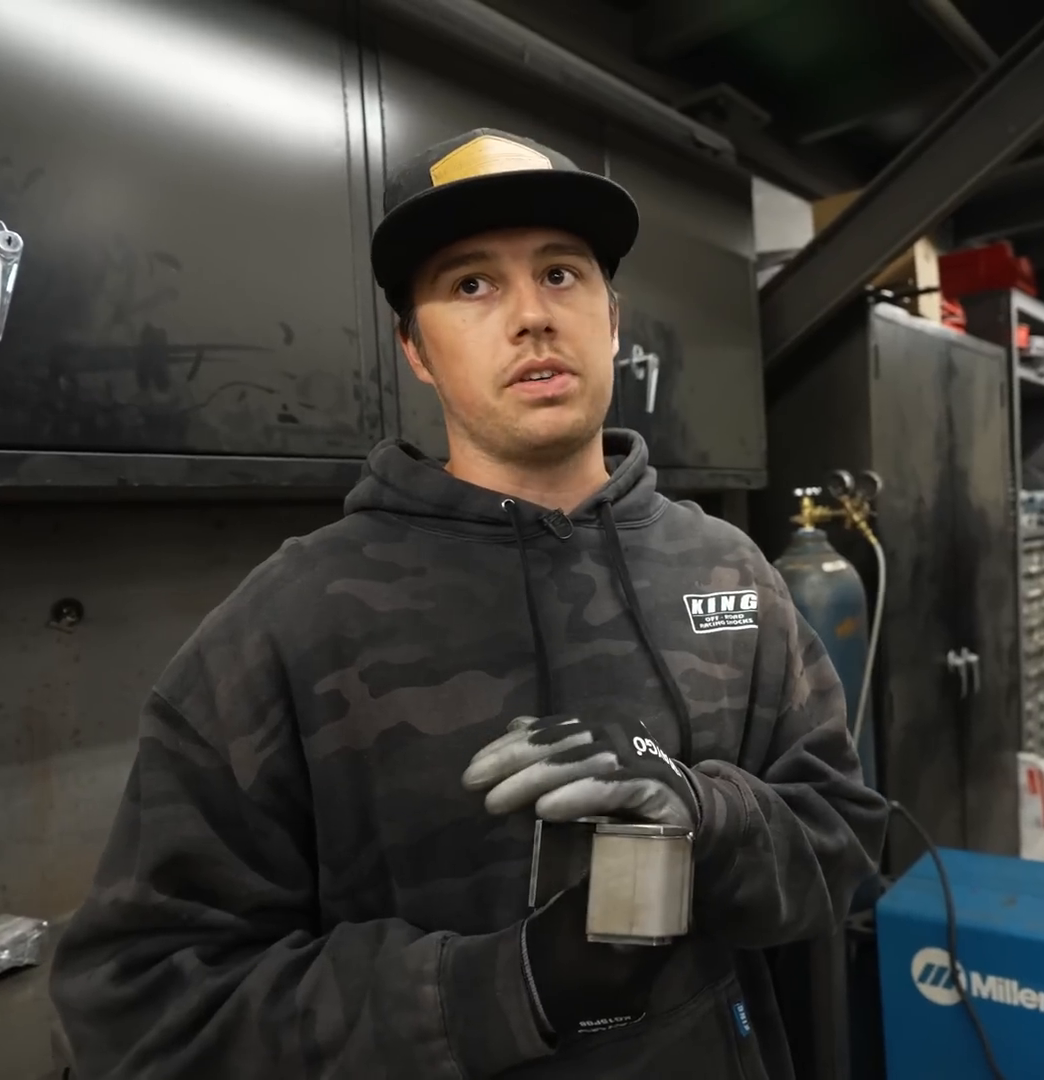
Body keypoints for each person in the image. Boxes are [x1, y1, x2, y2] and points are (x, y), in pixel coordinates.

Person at [50, 128, 887, 1078]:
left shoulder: (728, 573)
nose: (531, 314)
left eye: (563, 274)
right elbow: (140, 1005)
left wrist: (708, 815)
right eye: (472, 285)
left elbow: (843, 845)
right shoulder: (292, 623)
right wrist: (497, 989)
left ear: (614, 320)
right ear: (414, 348)